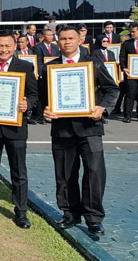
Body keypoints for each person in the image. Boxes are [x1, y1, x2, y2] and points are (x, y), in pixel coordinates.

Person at [41, 25, 119, 236]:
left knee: (94, 173)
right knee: (65, 175)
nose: (67, 42)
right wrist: (44, 110)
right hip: (62, 130)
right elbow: (42, 97)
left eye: (71, 38)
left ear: (79, 41)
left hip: (90, 128)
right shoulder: (50, 67)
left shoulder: (92, 63)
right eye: (63, 38)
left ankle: (94, 218)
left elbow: (111, 89)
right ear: (57, 42)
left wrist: (102, 108)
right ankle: (69, 213)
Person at [0, 31, 39, 229]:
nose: (3, 49)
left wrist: (27, 105)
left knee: (18, 170)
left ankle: (21, 212)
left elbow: (34, 94)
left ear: (14, 46)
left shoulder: (25, 66)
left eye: (7, 46)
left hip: (16, 128)